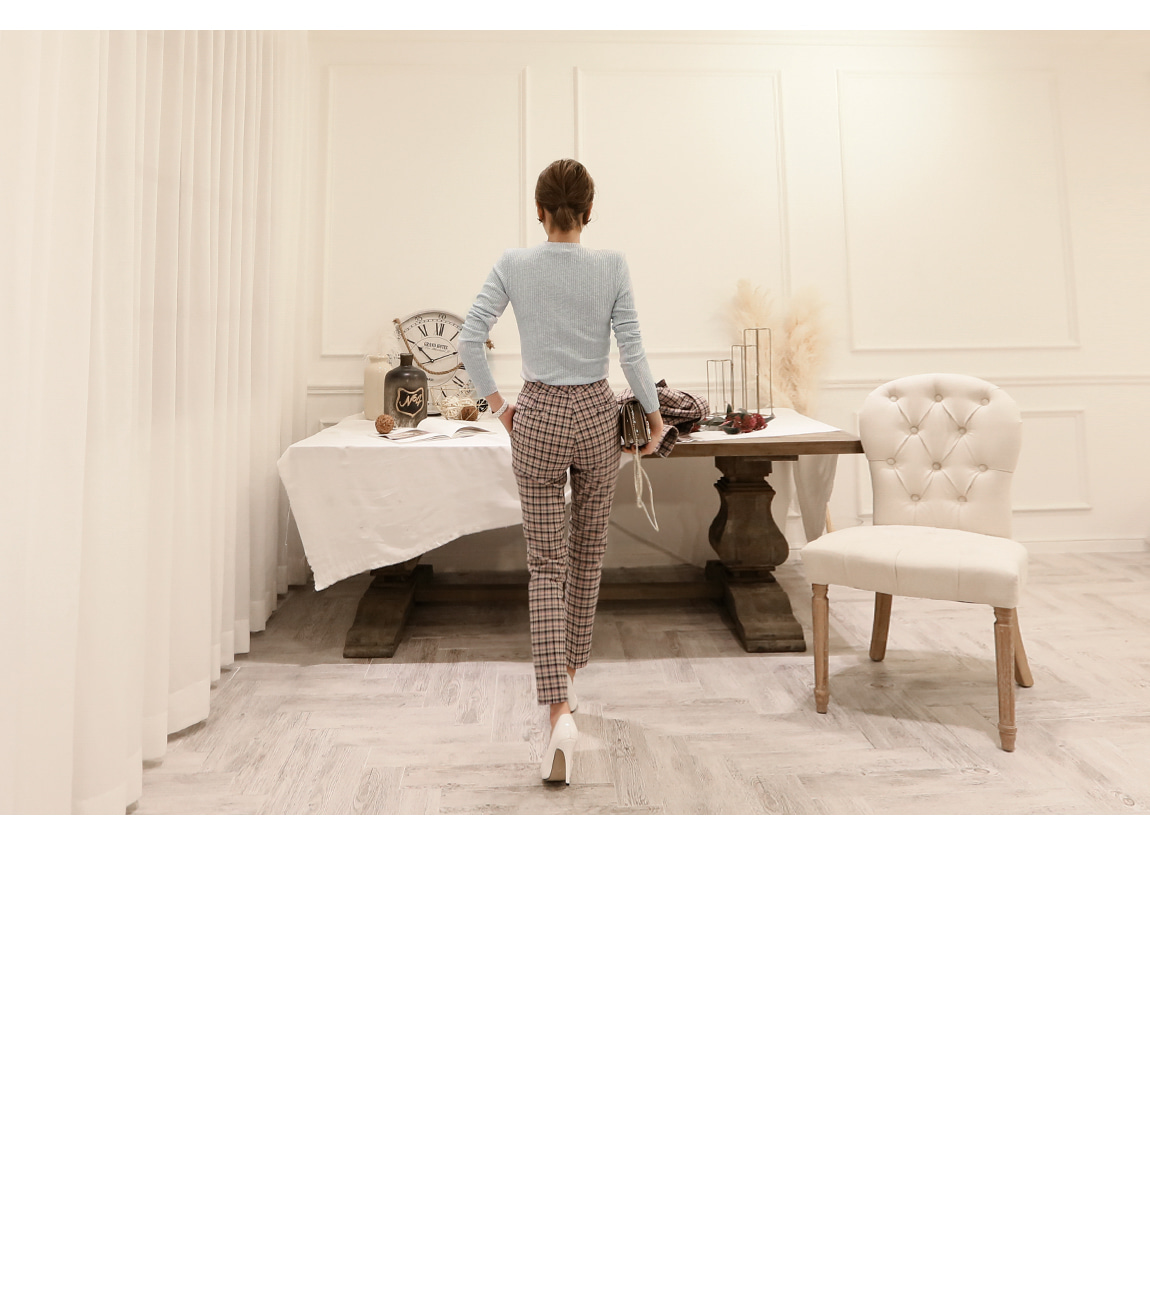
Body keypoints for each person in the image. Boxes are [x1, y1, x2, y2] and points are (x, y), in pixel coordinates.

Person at [458, 158, 664, 786]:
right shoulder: (612, 266)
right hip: (597, 415)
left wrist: (501, 408)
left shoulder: (514, 264)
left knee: (546, 567)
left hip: (539, 415)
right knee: (588, 555)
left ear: (540, 211)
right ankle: (569, 679)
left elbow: (468, 338)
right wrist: (654, 418)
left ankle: (557, 713)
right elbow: (632, 352)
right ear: (589, 212)